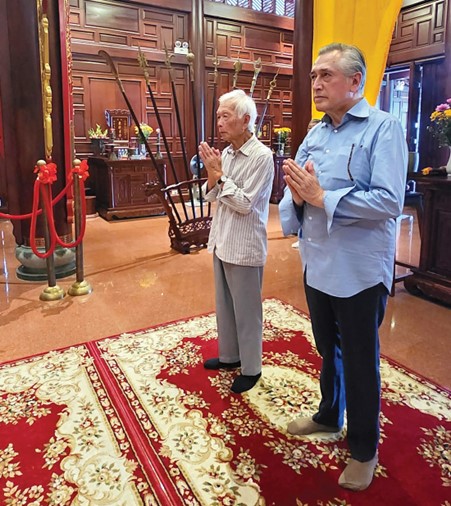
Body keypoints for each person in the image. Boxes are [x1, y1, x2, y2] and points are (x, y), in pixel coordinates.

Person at [280, 43, 407, 491]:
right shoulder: (315, 133)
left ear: (355, 81)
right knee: (326, 346)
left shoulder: (383, 128)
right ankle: (329, 414)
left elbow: (389, 201)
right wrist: (299, 198)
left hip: (358, 269)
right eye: (314, 76)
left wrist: (321, 197)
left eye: (326, 75)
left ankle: (364, 449)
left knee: (359, 359)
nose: (316, 84)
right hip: (317, 263)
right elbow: (295, 190)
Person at [199, 89, 274, 394]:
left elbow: (244, 204)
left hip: (245, 244)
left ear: (245, 120)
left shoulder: (262, 156)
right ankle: (230, 356)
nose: (219, 122)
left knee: (247, 311)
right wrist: (213, 174)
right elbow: (211, 195)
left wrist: (219, 176)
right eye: (218, 116)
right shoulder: (227, 153)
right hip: (223, 240)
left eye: (225, 116)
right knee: (225, 305)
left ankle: (252, 367)